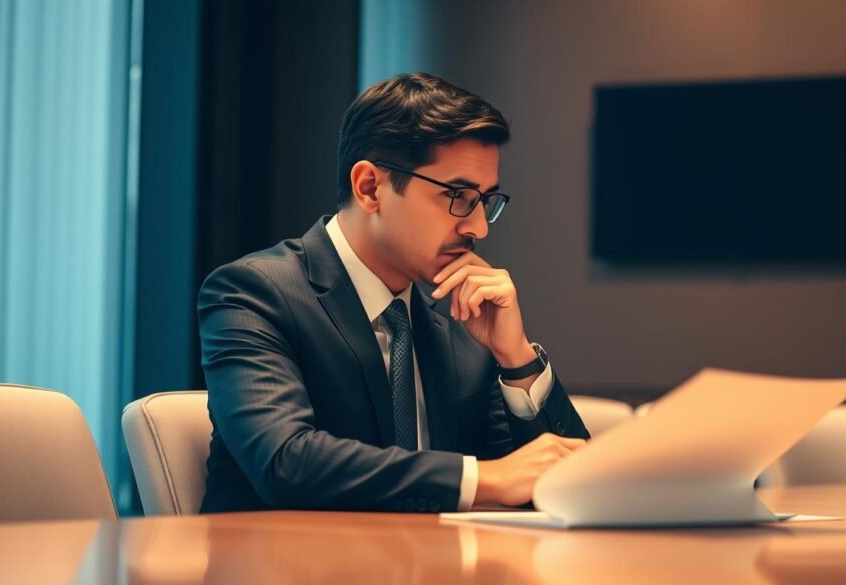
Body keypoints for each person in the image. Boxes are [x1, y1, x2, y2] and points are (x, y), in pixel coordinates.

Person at [198, 72, 589, 514]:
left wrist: (516, 356)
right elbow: (285, 463)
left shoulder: (462, 320)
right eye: (458, 195)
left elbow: (571, 485)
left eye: (486, 201)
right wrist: (482, 476)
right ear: (370, 188)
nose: (478, 227)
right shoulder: (255, 293)